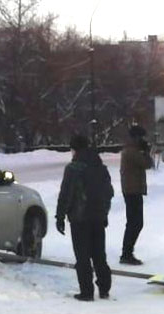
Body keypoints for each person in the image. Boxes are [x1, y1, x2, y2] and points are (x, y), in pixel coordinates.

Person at [55, 134, 114, 301]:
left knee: (82, 256)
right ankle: (104, 288)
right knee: (99, 254)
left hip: (79, 218)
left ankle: (86, 292)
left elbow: (65, 194)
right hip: (98, 217)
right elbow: (108, 193)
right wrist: (104, 212)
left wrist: (60, 217)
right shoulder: (100, 167)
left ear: (75, 149)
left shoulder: (73, 168)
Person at [119, 125, 154, 265]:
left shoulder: (130, 150)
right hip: (132, 190)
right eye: (142, 137)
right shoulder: (131, 151)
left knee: (134, 223)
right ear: (136, 138)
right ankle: (126, 253)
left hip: (132, 189)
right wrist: (146, 152)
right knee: (135, 223)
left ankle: (127, 252)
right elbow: (147, 163)